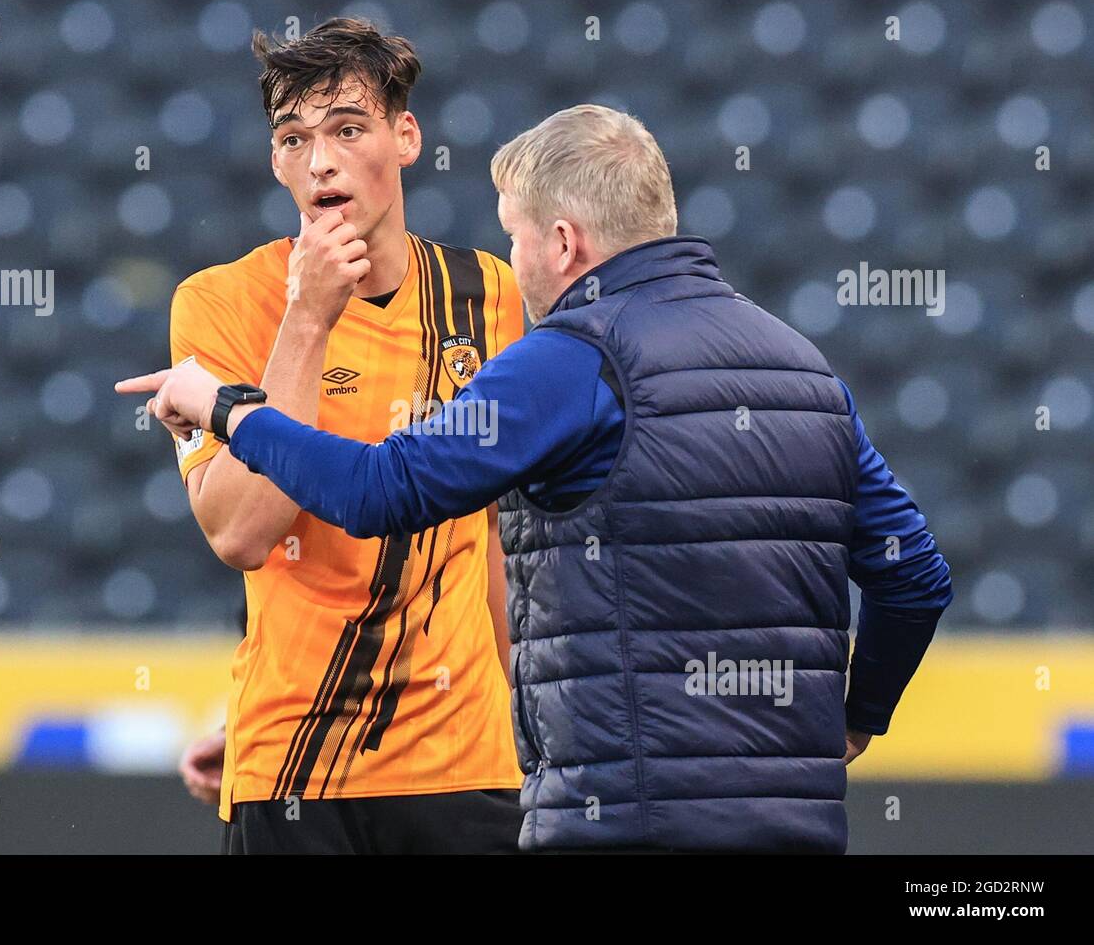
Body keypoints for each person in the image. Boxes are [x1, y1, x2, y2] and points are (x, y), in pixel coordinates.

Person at [121, 104, 953, 854]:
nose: (510, 261)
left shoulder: (571, 361)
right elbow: (914, 575)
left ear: (563, 243)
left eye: (516, 235)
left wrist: (231, 411)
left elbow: (379, 491)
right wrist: (857, 716)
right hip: (799, 823)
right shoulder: (805, 370)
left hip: (621, 816)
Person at [119, 18, 526, 854]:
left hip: (464, 765)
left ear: (406, 136)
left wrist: (527, 711)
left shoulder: (489, 295)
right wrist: (307, 317)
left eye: (348, 128)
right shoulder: (219, 303)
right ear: (275, 161)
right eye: (293, 138)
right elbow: (240, 530)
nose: (320, 161)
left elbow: (494, 531)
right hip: (295, 764)